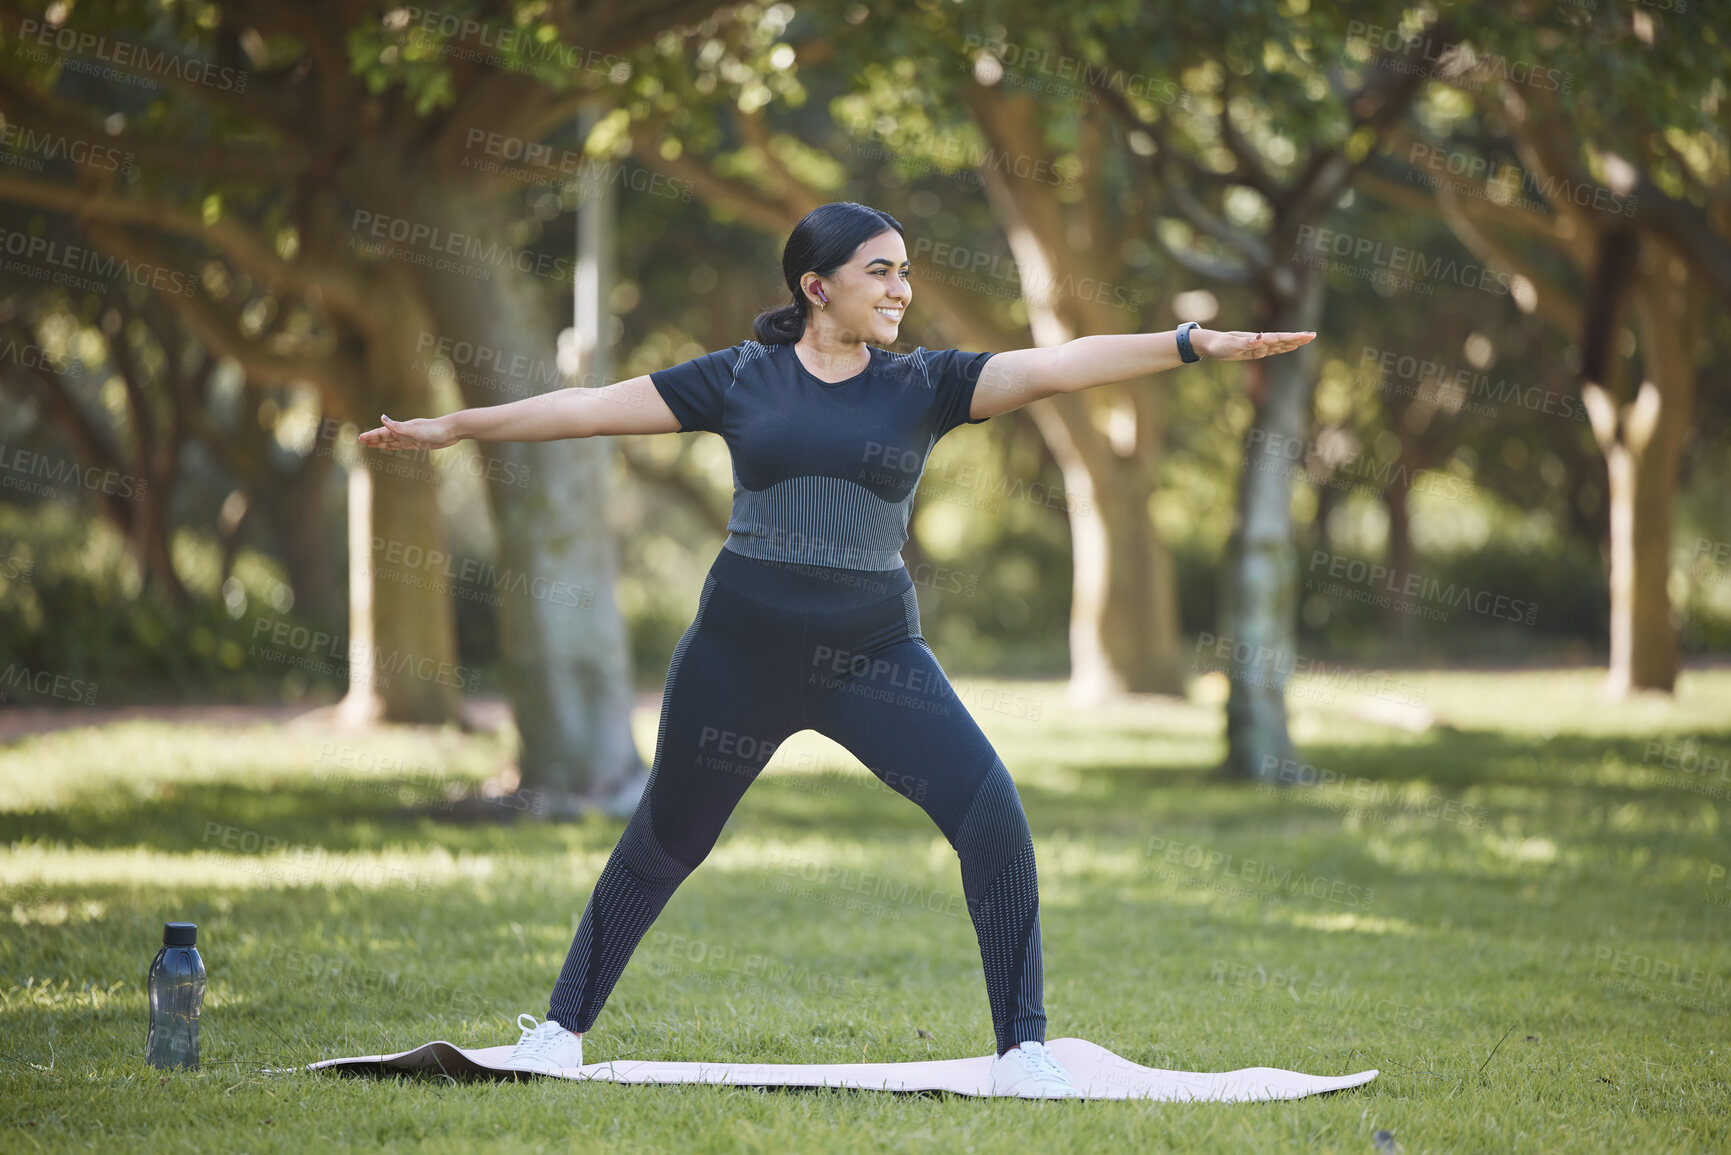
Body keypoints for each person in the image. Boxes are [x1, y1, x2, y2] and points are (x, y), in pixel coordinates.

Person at [358, 201, 1314, 1097]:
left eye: (905, 274)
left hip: (874, 654)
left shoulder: (927, 383)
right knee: (665, 840)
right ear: (817, 286)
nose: (901, 289)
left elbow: (1061, 363)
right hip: (739, 649)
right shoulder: (737, 377)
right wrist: (453, 425)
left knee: (991, 819)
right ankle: (557, 1032)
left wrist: (1192, 343)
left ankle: (1023, 1048)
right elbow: (584, 408)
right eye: (880, 272)